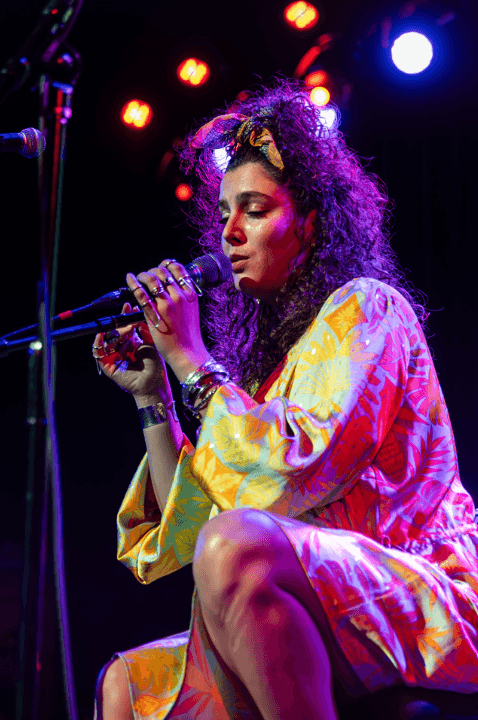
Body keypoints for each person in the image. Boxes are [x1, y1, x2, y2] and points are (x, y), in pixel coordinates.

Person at [92, 79, 478, 720]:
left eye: (254, 210)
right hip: (318, 598)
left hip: (425, 597)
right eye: (222, 215)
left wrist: (191, 362)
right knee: (127, 685)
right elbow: (191, 535)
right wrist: (156, 396)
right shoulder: (268, 380)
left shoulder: (369, 309)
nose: (230, 234)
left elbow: (288, 476)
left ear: (310, 222)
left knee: (237, 544)